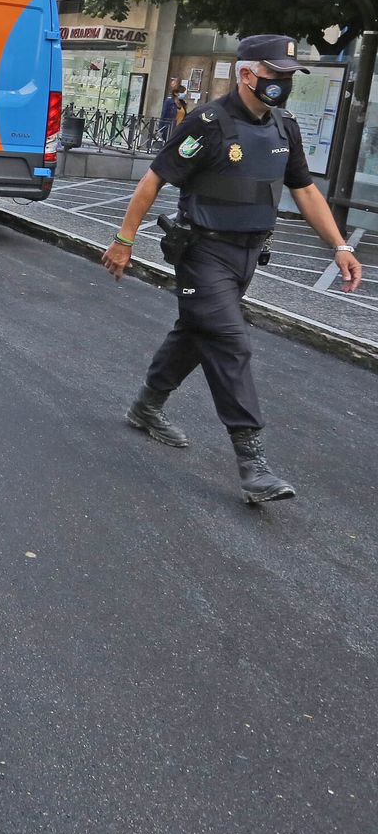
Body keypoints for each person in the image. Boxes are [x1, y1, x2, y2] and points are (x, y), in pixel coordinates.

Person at [102, 35, 362, 505]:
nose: (282, 84)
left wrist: (339, 245)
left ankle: (147, 405)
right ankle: (252, 462)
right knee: (229, 339)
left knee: (196, 330)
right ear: (246, 74)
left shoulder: (285, 127)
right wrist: (124, 240)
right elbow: (154, 178)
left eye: (287, 77)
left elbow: (304, 190)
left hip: (247, 255)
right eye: (274, 75)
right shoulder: (208, 123)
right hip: (203, 252)